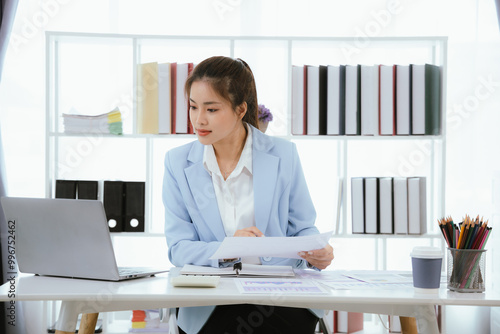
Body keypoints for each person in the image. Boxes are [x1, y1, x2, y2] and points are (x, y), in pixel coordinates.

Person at [162, 56, 334, 334]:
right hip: (211, 302)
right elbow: (178, 248)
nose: (198, 119)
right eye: (193, 107)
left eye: (212, 109)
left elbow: (303, 227)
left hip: (280, 298)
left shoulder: (282, 154)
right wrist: (230, 249)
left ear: (240, 109)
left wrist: (316, 252)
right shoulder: (178, 163)